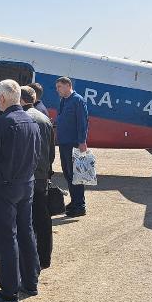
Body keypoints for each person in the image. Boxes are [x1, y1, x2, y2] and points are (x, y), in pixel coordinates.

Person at [0, 79, 41, 302]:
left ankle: (9, 291)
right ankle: (30, 282)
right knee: (26, 232)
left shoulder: (2, 122)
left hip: (5, 186)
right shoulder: (31, 121)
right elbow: (37, 155)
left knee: (6, 237)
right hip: (27, 184)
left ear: (3, 98)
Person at [20, 85, 55, 269]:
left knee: (25, 221)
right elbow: (51, 153)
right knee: (43, 218)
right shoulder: (45, 119)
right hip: (42, 176)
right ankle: (44, 258)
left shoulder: (20, 118)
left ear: (20, 99)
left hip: (25, 177)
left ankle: (28, 260)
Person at [55, 76, 89, 217]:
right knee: (68, 173)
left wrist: (82, 142)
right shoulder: (64, 100)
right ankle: (74, 201)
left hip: (74, 143)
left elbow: (83, 122)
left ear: (68, 85)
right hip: (64, 143)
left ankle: (80, 205)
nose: (58, 90)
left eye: (60, 87)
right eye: (57, 88)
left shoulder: (77, 100)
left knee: (76, 174)